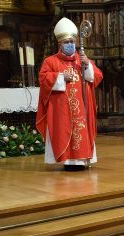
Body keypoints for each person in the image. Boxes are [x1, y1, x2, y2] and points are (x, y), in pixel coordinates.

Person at [36, 17, 103, 171]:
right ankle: (67, 161)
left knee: (81, 131)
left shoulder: (81, 59)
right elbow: (43, 78)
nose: (70, 45)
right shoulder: (50, 61)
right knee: (63, 131)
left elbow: (97, 76)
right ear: (60, 44)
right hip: (62, 109)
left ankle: (82, 160)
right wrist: (60, 77)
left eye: (72, 41)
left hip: (81, 108)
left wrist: (87, 66)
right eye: (66, 42)